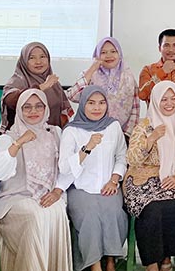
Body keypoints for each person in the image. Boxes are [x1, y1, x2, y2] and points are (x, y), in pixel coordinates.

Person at [0, 88, 74, 271]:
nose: (33, 111)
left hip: (48, 195)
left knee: (57, 210)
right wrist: (18, 143)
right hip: (13, 199)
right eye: (27, 107)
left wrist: (57, 191)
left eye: (39, 106)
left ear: (46, 109)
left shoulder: (55, 134)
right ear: (19, 110)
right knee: (35, 215)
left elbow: (68, 166)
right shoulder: (8, 138)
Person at [124, 81, 175, 271]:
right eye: (164, 99)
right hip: (142, 178)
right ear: (155, 101)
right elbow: (132, 159)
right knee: (152, 209)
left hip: (172, 179)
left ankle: (166, 257)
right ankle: (151, 264)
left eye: (173, 98)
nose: (169, 103)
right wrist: (151, 139)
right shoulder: (145, 125)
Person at [59, 85, 128, 271]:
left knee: (114, 213)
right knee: (90, 217)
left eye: (101, 103)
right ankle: (94, 265)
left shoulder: (113, 126)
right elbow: (64, 167)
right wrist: (87, 148)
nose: (97, 108)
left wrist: (114, 180)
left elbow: (122, 156)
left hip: (109, 185)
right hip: (80, 187)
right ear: (83, 104)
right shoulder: (72, 130)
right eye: (91, 103)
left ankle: (111, 261)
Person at [67, 37, 140, 136]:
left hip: (120, 133)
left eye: (113, 51)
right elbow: (73, 96)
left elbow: (135, 108)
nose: (109, 55)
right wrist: (92, 69)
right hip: (90, 132)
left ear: (119, 53)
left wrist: (127, 134)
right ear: (97, 55)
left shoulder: (128, 76)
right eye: (103, 52)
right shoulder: (90, 74)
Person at [2, 41, 73, 132]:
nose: (38, 62)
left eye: (42, 57)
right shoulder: (17, 81)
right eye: (32, 58)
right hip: (24, 136)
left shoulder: (54, 84)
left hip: (51, 135)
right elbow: (10, 101)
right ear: (24, 61)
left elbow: (63, 113)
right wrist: (42, 87)